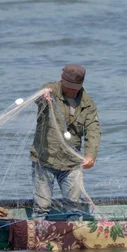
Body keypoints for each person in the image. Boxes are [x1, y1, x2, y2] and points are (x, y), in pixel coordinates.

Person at [30, 64, 101, 217]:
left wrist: (90, 155)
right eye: (69, 86)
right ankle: (37, 236)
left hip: (71, 163)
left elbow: (93, 130)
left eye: (76, 87)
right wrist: (43, 96)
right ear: (62, 80)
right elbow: (38, 97)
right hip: (44, 160)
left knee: (74, 208)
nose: (72, 90)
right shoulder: (50, 91)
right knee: (42, 207)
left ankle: (73, 237)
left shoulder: (88, 104)